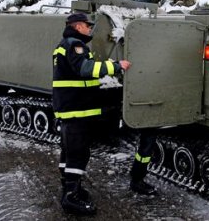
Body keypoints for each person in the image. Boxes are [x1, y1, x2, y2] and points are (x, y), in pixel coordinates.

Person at [53, 12, 158, 216]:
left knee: (68, 152)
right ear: (76, 26)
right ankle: (70, 198)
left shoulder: (65, 44)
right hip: (76, 109)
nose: (89, 28)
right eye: (86, 25)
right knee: (78, 153)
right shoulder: (75, 45)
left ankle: (70, 187)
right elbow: (86, 69)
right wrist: (117, 66)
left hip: (71, 107)